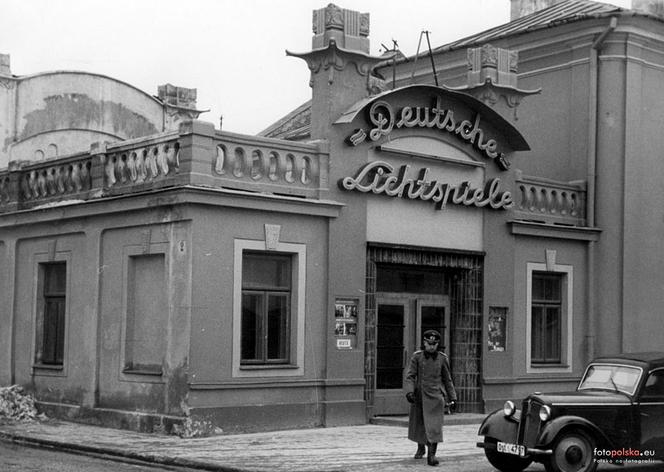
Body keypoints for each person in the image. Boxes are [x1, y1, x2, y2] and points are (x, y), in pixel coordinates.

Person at [405, 329, 457, 466]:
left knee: (434, 426)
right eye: (429, 343)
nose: (432, 346)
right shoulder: (417, 357)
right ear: (424, 343)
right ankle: (421, 447)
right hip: (420, 396)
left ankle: (432, 455)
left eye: (434, 344)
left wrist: (453, 397)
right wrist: (409, 392)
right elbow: (410, 376)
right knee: (420, 424)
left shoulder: (442, 358)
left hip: (436, 397)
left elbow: (447, 379)